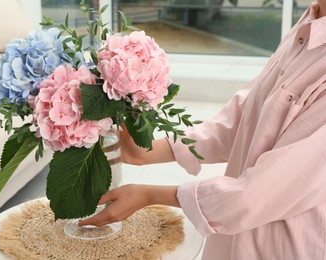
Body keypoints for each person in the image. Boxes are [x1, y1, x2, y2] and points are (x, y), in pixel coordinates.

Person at [79, 0, 326, 259]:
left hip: (283, 246)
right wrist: (148, 153)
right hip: (233, 236)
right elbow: (246, 116)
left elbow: (261, 194)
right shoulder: (310, 20)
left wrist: (149, 194)